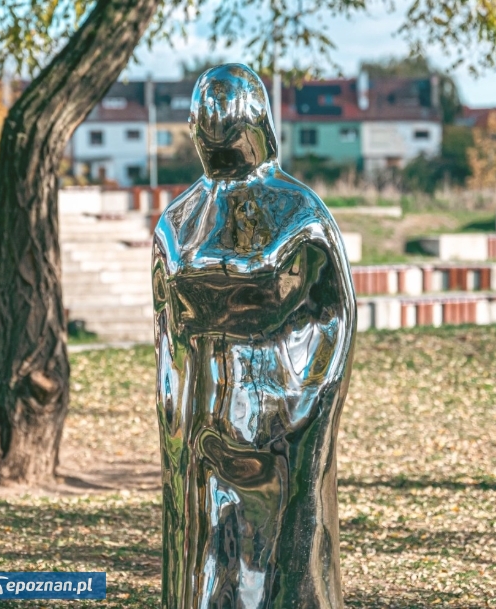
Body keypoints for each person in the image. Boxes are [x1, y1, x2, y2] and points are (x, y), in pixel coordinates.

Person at [152, 63, 356, 609]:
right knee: (206, 542)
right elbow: (167, 334)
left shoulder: (298, 211)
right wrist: (173, 408)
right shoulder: (179, 219)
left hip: (279, 409)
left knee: (279, 541)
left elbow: (334, 317)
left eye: (226, 117)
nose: (214, 128)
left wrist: (306, 405)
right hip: (201, 411)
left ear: (254, 121)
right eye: (205, 118)